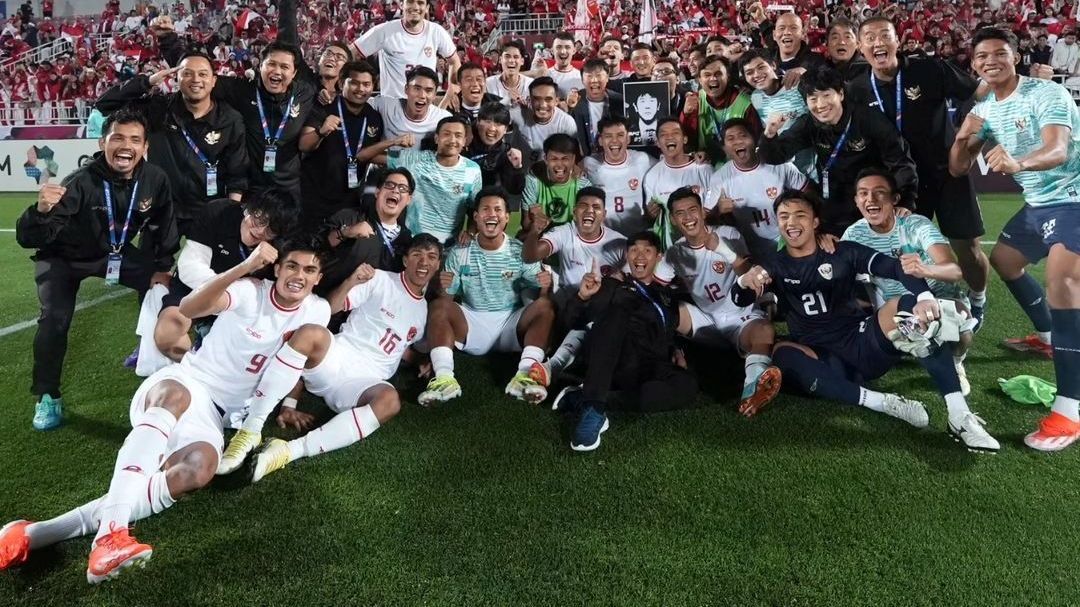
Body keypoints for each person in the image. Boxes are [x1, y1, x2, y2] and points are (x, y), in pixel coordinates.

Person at [0, 239, 330, 581]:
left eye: (309, 270)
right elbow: (189, 307)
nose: (299, 275)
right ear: (276, 268)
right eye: (292, 266)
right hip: (186, 380)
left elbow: (299, 360)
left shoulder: (316, 311)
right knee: (174, 397)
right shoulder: (250, 291)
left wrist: (287, 402)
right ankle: (111, 536)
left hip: (215, 415)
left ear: (318, 278)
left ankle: (30, 535)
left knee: (197, 471)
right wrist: (244, 267)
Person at [731, 190, 999, 452]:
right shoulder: (773, 264)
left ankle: (959, 416)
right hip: (824, 359)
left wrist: (924, 297)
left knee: (910, 309)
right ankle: (885, 403)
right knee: (783, 355)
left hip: (863, 343)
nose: (791, 222)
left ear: (814, 222)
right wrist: (745, 280)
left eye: (800, 215)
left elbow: (895, 268)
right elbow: (740, 298)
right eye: (784, 216)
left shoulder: (843, 251)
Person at [949, 28, 1080, 451]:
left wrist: (1017, 160)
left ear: (1016, 56)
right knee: (1005, 260)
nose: (991, 61)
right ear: (974, 65)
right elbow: (955, 166)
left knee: (1063, 283)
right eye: (982, 55)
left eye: (999, 53)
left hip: (1074, 197)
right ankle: (1045, 336)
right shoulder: (987, 108)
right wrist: (965, 133)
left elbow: (1058, 149)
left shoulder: (1046, 94)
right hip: (1039, 203)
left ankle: (1070, 411)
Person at [15, 109, 178, 431]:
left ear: (145, 147)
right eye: (117, 138)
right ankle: (47, 395)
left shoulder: (155, 179)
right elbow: (29, 239)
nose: (125, 145)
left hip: (110, 253)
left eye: (134, 139)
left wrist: (161, 266)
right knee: (54, 321)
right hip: (63, 258)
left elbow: (164, 226)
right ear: (103, 142)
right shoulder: (80, 181)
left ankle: (154, 352)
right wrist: (40, 212)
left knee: (167, 287)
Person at [247, 235, 443, 482]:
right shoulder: (380, 279)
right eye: (417, 255)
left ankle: (288, 451)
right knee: (311, 332)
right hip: (337, 358)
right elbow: (331, 308)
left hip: (363, 383)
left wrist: (420, 361)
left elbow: (398, 344)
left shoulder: (424, 310)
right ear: (405, 260)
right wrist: (352, 281)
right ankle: (254, 426)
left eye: (431, 257)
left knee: (390, 401)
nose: (423, 262)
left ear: (437, 266)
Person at [852, 15, 991, 329]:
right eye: (869, 37)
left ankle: (978, 299)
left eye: (884, 35)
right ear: (861, 47)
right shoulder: (857, 86)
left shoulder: (930, 69)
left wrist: (973, 137)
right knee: (905, 250)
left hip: (947, 175)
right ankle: (916, 308)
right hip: (902, 183)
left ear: (897, 40)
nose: (877, 43)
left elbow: (978, 92)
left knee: (967, 248)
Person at [558, 231, 696, 452]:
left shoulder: (666, 295)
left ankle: (585, 398)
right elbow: (574, 321)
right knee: (617, 313)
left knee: (686, 385)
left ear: (658, 256)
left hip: (650, 364)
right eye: (634, 250)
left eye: (647, 251)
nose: (640, 256)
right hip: (617, 361)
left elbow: (669, 329)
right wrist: (582, 297)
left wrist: (677, 350)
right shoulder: (614, 286)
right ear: (626, 255)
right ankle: (594, 408)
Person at [841, 168, 975, 395]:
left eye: (879, 192)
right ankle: (910, 335)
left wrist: (926, 270)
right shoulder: (854, 235)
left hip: (938, 295)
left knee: (958, 323)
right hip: (896, 305)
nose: (870, 199)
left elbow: (954, 270)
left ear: (894, 199)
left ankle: (956, 361)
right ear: (856, 200)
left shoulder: (915, 225)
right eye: (863, 193)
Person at [418, 187, 556, 405]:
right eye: (486, 209)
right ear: (475, 217)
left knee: (544, 306)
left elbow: (541, 289)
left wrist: (545, 286)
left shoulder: (519, 250)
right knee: (439, 306)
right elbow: (448, 300)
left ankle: (526, 374)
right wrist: (432, 347)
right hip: (472, 323)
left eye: (498, 209)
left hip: (511, 324)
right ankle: (444, 377)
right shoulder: (459, 252)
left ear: (507, 217)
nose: (492, 214)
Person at [95, 52, 247, 235]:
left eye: (203, 74)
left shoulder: (230, 119)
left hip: (209, 212)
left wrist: (230, 213)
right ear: (176, 77)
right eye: (188, 73)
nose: (196, 79)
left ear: (214, 80)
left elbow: (237, 172)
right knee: (153, 263)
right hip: (161, 209)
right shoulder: (158, 109)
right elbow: (105, 105)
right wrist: (147, 82)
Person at [758, 66, 919, 236]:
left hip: (871, 201)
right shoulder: (809, 123)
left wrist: (906, 201)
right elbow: (776, 155)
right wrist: (769, 134)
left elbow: (899, 161)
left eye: (826, 95)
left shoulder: (868, 119)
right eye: (813, 98)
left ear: (840, 94)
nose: (820, 105)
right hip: (835, 206)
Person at [149, 189, 298, 369]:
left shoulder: (282, 247)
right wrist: (239, 273)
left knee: (256, 350)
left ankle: (212, 353)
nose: (260, 231)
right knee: (167, 335)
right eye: (259, 219)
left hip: (241, 304)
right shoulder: (219, 212)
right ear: (249, 207)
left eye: (271, 229)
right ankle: (197, 366)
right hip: (196, 289)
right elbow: (189, 266)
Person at [664, 188, 780, 415]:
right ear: (672, 219)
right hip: (705, 320)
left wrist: (723, 250)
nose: (688, 218)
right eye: (680, 213)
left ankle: (752, 389)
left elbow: (750, 275)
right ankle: (669, 362)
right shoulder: (674, 252)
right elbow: (654, 282)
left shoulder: (728, 234)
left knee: (765, 330)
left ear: (702, 212)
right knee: (664, 311)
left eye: (692, 210)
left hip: (741, 317)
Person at [355, 116, 481, 244]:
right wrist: (393, 142)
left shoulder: (473, 170)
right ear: (437, 138)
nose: (452, 140)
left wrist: (470, 231)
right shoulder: (415, 160)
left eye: (458, 135)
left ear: (465, 141)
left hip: (450, 247)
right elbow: (363, 156)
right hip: (412, 243)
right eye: (446, 134)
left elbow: (475, 208)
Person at [706, 118, 808, 261]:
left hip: (789, 243)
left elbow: (810, 196)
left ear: (754, 140)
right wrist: (718, 210)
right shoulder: (719, 178)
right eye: (730, 138)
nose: (738, 141)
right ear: (724, 148)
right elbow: (705, 219)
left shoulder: (779, 164)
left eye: (743, 136)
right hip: (749, 251)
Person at [298, 60, 385, 226]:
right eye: (354, 83)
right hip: (312, 197)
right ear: (341, 83)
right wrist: (320, 132)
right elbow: (303, 145)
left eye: (366, 84)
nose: (360, 89)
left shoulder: (374, 118)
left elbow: (368, 154)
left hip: (348, 201)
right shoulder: (323, 108)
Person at [316, 168, 415, 293]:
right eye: (389, 185)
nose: (395, 190)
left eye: (402, 188)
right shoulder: (349, 217)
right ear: (377, 192)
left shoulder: (407, 241)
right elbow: (317, 246)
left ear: (408, 200)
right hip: (330, 302)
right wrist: (346, 232)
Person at [351, 0, 459, 99]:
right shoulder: (385, 31)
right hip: (392, 107)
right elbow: (352, 52)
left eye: (420, 3)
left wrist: (452, 88)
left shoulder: (436, 31)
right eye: (410, 2)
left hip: (424, 106)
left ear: (427, 8)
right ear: (402, 5)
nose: (415, 7)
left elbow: (454, 61)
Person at [739, 49, 814, 177]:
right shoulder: (755, 97)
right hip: (780, 166)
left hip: (809, 167)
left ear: (773, 65)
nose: (756, 75)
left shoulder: (797, 84)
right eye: (749, 73)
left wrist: (806, 72)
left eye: (761, 67)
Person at [642, 118, 713, 249]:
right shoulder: (652, 175)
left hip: (706, 246)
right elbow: (650, 216)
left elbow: (716, 208)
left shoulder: (704, 169)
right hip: (672, 251)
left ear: (684, 139)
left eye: (675, 133)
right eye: (664, 135)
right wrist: (651, 214)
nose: (669, 137)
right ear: (658, 143)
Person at [583, 117, 656, 236]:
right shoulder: (589, 163)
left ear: (628, 139)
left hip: (637, 236)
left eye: (620, 135)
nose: (614, 141)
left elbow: (668, 166)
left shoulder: (642, 159)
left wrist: (693, 157)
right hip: (605, 238)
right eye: (608, 136)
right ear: (600, 140)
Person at [680, 55, 759, 164]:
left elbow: (754, 143)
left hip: (738, 167)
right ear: (699, 80)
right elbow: (686, 141)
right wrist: (686, 115)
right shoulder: (694, 101)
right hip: (704, 166)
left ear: (728, 77)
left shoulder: (746, 103)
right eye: (707, 75)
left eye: (718, 74)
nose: (713, 78)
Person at [520, 133, 591, 233]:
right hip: (541, 238)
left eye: (565, 159)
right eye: (554, 159)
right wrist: (536, 221)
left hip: (571, 240)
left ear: (573, 160)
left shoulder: (583, 185)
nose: (559, 165)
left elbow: (587, 227)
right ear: (545, 159)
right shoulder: (533, 181)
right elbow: (526, 224)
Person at [367, 67, 452, 150]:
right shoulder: (385, 105)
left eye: (428, 90)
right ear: (406, 89)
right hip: (386, 162)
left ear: (434, 94)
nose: (422, 95)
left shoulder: (443, 119)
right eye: (417, 88)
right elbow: (357, 104)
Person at [466, 103, 529, 200]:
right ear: (478, 122)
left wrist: (517, 168)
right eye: (488, 121)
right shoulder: (463, 141)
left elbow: (515, 190)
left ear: (505, 129)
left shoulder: (506, 153)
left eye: (498, 124)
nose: (492, 128)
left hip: (484, 204)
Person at [569, 59, 625, 157]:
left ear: (607, 77)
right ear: (582, 79)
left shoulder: (620, 101)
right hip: (585, 160)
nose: (594, 80)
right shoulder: (575, 101)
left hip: (614, 158)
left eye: (599, 75)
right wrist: (569, 108)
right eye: (589, 76)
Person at [511, 76, 577, 158]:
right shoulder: (518, 114)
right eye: (537, 99)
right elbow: (494, 119)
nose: (542, 105)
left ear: (556, 101)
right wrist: (508, 101)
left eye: (548, 99)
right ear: (529, 100)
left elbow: (571, 155)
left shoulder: (567, 123)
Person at [486, 41, 534, 107]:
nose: (511, 60)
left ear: (522, 61)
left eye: (516, 57)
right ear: (500, 60)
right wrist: (506, 100)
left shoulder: (531, 84)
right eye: (507, 56)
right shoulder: (488, 83)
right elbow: (485, 113)